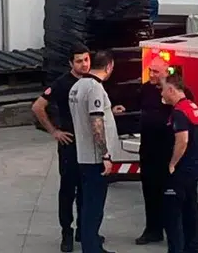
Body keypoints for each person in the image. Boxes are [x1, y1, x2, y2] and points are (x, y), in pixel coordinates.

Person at [31, 46, 91, 252]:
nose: (84, 64)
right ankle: (67, 232)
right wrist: (54, 131)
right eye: (79, 61)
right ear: (70, 64)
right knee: (68, 191)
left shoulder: (92, 81)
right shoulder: (62, 83)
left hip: (89, 145)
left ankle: (85, 230)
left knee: (87, 190)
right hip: (70, 144)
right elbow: (38, 106)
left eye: (86, 60)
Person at [68, 50, 121, 253]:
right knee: (94, 207)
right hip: (95, 158)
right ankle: (92, 249)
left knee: (88, 204)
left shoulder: (77, 86)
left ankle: (93, 245)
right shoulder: (94, 88)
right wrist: (105, 154)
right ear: (108, 66)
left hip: (83, 154)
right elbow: (96, 122)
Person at [161, 72, 198, 253]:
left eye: (163, 90)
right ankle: (193, 246)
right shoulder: (193, 107)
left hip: (181, 171)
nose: (161, 94)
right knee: (191, 208)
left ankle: (176, 249)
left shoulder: (179, 113)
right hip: (193, 168)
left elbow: (182, 140)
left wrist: (172, 163)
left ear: (171, 89)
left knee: (173, 213)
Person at [133, 57, 173, 245]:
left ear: (166, 71)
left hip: (168, 151)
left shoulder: (176, 92)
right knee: (149, 190)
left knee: (170, 193)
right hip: (148, 149)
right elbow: (135, 105)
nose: (152, 75)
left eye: (156, 72)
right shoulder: (146, 89)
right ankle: (152, 230)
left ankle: (174, 231)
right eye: (151, 71)